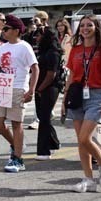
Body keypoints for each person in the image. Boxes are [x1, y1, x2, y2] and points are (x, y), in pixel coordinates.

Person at [62, 15, 101, 192]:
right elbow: (71, 76)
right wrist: (64, 99)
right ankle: (88, 179)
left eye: (90, 25)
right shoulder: (76, 50)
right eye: (83, 25)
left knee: (84, 138)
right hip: (77, 94)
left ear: (96, 28)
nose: (85, 28)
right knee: (81, 142)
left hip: (97, 95)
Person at [0, 15, 39, 173]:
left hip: (18, 87)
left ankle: (18, 159)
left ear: (16, 30)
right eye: (3, 28)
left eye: (6, 29)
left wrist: (31, 90)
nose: (3, 31)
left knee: (16, 123)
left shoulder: (25, 46)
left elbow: (35, 68)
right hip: (2, 88)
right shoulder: (3, 47)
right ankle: (16, 145)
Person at [33, 28, 62, 160]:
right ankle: (54, 143)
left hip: (50, 87)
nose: (36, 38)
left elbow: (51, 75)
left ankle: (44, 151)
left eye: (38, 35)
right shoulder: (43, 51)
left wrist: (40, 89)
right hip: (40, 87)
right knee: (42, 116)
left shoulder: (53, 53)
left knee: (44, 118)